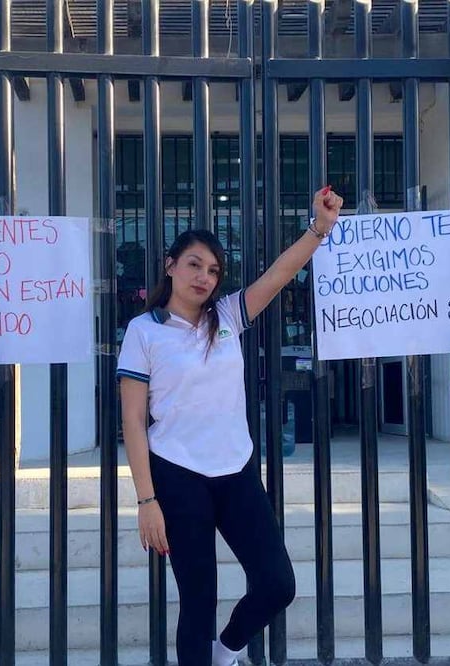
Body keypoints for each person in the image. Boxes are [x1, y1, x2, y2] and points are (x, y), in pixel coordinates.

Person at [118, 187, 343, 665]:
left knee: (277, 583)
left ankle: (228, 651)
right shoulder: (144, 331)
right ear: (170, 265)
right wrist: (146, 501)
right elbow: (134, 422)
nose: (204, 276)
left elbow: (280, 274)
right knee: (197, 602)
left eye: (214, 270)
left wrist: (319, 228)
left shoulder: (226, 318)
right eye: (195, 264)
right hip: (176, 475)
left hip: (236, 469)